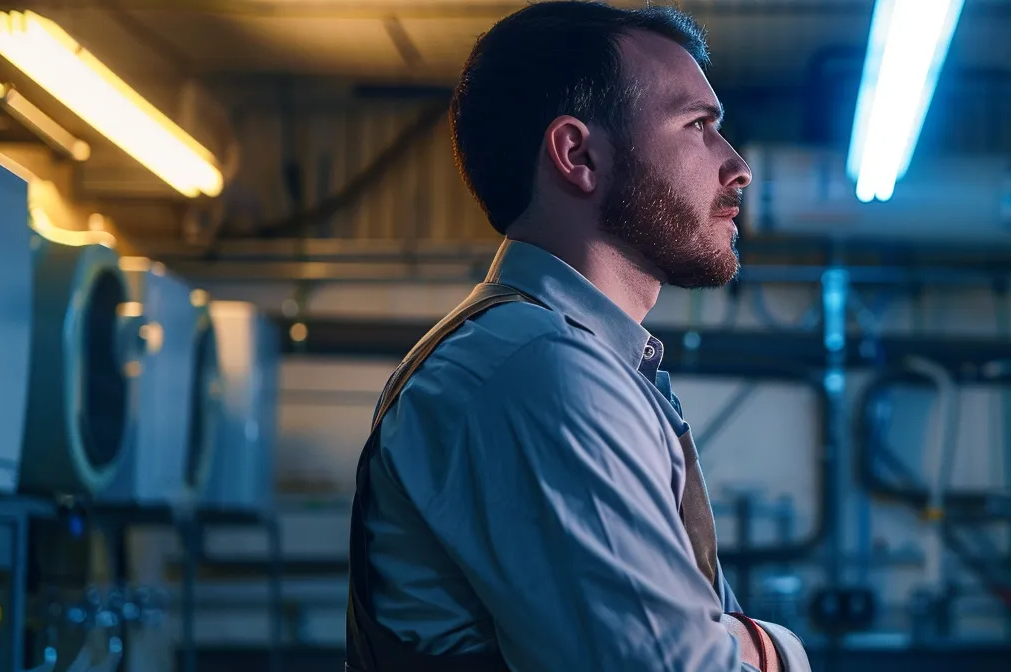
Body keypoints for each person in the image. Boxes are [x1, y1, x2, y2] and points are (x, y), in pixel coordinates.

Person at [343, 2, 808, 670]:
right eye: (698, 126)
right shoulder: (536, 371)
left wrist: (733, 640)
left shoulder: (573, 364)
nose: (738, 167)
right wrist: (780, 648)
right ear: (576, 154)